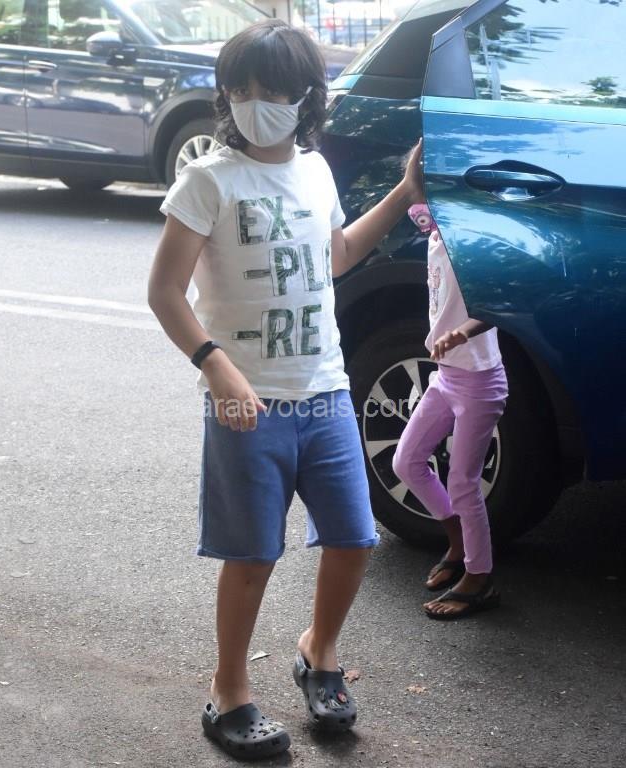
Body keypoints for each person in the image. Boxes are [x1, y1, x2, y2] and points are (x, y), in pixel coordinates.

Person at [147, 19, 423, 760]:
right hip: (247, 404)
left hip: (324, 391)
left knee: (354, 539)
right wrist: (215, 365)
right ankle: (228, 691)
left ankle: (317, 652)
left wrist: (402, 193)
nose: (254, 105)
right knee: (251, 557)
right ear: (224, 96)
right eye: (240, 90)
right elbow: (165, 292)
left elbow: (335, 256)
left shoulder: (315, 171)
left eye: (271, 93)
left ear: (304, 99)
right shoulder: (207, 180)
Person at [392, 199, 507, 620]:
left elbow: (498, 300)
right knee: (406, 461)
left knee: (463, 482)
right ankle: (459, 542)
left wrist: (460, 334)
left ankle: (480, 576)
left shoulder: (472, 234)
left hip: (480, 380)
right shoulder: (435, 232)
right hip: (446, 376)